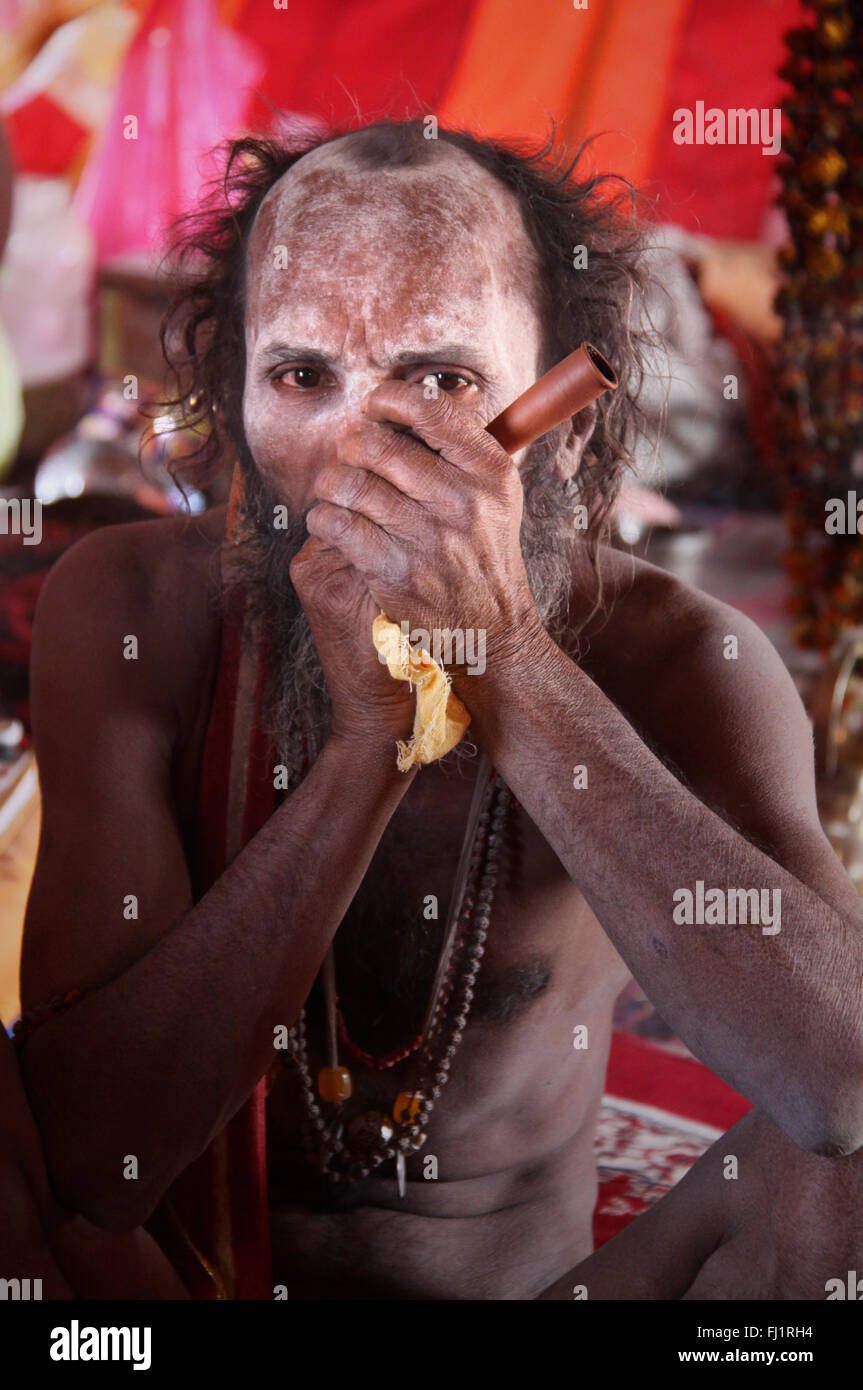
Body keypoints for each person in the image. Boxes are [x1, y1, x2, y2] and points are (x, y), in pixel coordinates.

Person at [16, 120, 863, 1300]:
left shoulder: (679, 655)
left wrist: (505, 655)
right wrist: (367, 745)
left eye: (442, 379)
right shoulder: (135, 608)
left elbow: (839, 1089)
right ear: (237, 409)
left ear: (557, 429)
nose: (367, 452)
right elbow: (87, 1165)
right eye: (303, 377)